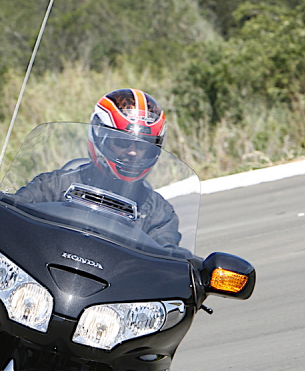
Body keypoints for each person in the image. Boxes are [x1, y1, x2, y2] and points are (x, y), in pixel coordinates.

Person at [13, 89, 185, 251]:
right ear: (99, 137)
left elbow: (168, 259)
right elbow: (12, 212)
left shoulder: (159, 213)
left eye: (142, 146)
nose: (132, 152)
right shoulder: (53, 185)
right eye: (122, 142)